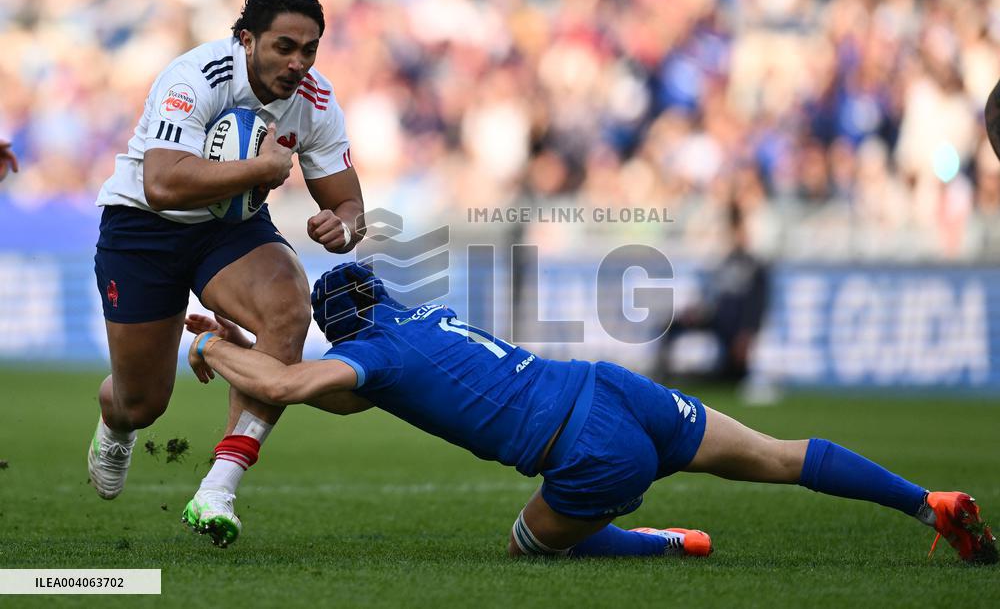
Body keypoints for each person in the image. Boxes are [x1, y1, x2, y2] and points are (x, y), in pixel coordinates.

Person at [183, 262, 996, 563]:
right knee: (781, 454)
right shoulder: (415, 324)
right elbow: (343, 399)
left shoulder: (374, 354)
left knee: (526, 545)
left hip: (586, 449)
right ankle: (928, 501)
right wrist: (244, 339)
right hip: (613, 389)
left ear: (342, 329)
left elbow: (293, 388)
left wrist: (211, 350)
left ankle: (667, 542)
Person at [89, 0, 366, 544]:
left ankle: (219, 486)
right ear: (246, 39)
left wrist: (345, 225)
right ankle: (115, 420)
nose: (297, 63)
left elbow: (348, 200)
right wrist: (261, 172)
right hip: (144, 227)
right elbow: (162, 183)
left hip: (230, 230)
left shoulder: (315, 100)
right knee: (142, 402)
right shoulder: (195, 76)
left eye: (309, 49)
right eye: (283, 47)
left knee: (288, 308)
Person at [657, 203, 768, 383]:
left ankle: (723, 375)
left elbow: (757, 304)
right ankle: (663, 372)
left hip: (735, 324)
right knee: (671, 325)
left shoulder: (754, 265)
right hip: (715, 317)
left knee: (731, 376)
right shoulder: (722, 261)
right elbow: (710, 294)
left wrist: (747, 331)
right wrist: (696, 310)